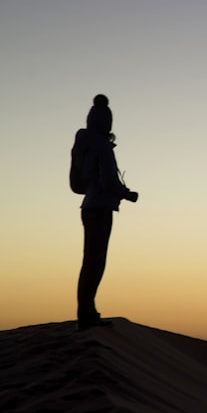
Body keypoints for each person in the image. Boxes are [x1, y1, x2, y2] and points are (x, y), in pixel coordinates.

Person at [71, 94, 139, 330]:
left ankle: (87, 312)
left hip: (89, 206)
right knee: (96, 261)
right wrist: (127, 194)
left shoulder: (82, 147)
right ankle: (87, 316)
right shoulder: (102, 148)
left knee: (90, 260)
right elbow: (109, 180)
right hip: (100, 208)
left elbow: (76, 185)